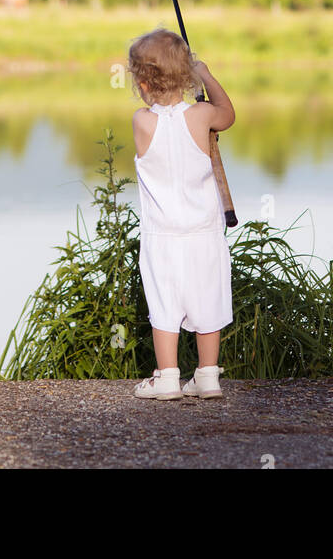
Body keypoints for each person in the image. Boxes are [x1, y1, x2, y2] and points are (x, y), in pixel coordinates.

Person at [127, 27, 235, 401]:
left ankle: (168, 377)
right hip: (204, 231)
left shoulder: (142, 121)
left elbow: (161, 117)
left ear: (142, 83)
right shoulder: (203, 115)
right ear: (186, 76)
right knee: (208, 300)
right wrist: (205, 75)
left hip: (163, 235)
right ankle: (208, 376)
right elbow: (229, 115)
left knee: (165, 304)